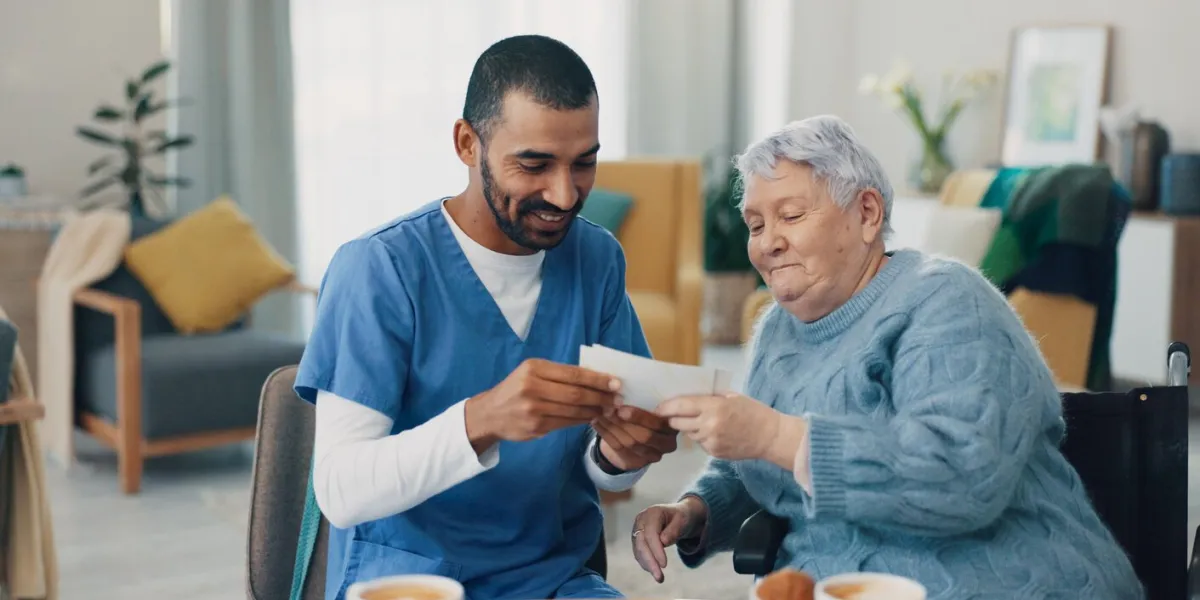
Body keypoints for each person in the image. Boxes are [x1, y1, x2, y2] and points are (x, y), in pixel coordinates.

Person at [631, 115, 1143, 599]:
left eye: (790, 215)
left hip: (993, 579)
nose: (767, 244)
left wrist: (773, 434)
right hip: (839, 583)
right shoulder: (776, 331)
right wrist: (697, 509)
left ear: (867, 214)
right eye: (756, 224)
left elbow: (963, 477)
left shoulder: (947, 301)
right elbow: (758, 454)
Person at [296, 34, 677, 600]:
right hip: (411, 584)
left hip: (549, 580)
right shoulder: (380, 269)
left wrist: (620, 456)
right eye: (534, 164)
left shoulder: (595, 260)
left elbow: (603, 470)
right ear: (467, 143)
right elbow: (341, 490)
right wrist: (482, 420)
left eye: (584, 163)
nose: (566, 194)